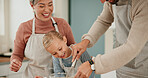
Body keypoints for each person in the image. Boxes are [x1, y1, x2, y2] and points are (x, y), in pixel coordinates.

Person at [71, 0, 148, 78]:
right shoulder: (111, 2)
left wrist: (93, 64)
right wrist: (86, 41)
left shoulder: (143, 4)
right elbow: (104, 21)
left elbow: (132, 48)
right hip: (121, 69)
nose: (102, 2)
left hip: (142, 70)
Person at [9, 0, 75, 78]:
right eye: (42, 6)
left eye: (50, 5)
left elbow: (73, 49)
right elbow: (17, 55)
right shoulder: (24, 28)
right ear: (32, 5)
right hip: (33, 75)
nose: (47, 10)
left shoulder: (62, 24)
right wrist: (15, 62)